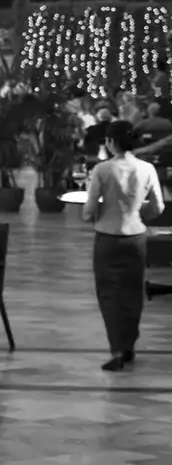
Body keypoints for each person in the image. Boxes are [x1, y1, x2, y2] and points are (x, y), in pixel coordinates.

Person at [83, 121, 165, 371]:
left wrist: (91, 214)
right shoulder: (147, 168)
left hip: (107, 239)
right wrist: (141, 214)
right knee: (132, 294)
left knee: (109, 295)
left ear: (109, 142)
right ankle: (129, 345)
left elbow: (89, 211)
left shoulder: (102, 170)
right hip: (136, 237)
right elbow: (158, 207)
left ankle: (117, 349)